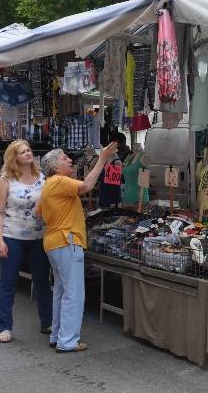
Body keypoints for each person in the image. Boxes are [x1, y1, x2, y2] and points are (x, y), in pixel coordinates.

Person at [37, 141, 118, 353]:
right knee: (73, 293)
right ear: (55, 166)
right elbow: (87, 186)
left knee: (62, 292)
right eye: (65, 158)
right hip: (66, 240)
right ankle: (68, 341)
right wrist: (102, 158)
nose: (70, 160)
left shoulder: (48, 185)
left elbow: (38, 213)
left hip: (55, 241)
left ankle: (58, 335)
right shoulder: (59, 181)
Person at [0, 140, 52, 344]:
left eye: (28, 150)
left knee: (43, 281)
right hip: (12, 237)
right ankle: (4, 326)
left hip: (39, 237)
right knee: (8, 284)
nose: (28, 153)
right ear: (14, 157)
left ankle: (48, 322)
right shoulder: (6, 180)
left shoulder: (42, 177)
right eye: (22, 151)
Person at [95, 131, 127, 208]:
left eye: (113, 143)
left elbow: (115, 182)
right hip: (104, 196)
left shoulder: (116, 161)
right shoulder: (106, 157)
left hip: (112, 198)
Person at [121, 142, 148, 207]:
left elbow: (145, 179)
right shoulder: (129, 157)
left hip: (139, 198)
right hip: (127, 197)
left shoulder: (145, 157)